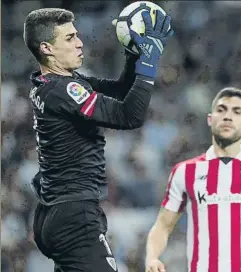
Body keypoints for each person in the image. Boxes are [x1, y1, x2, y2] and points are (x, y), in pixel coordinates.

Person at [24, 7, 173, 271]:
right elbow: (129, 116)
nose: (80, 42)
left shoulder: (54, 83)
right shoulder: (64, 89)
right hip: (74, 217)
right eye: (69, 38)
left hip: (55, 211)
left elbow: (118, 91)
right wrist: (149, 63)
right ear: (47, 48)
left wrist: (133, 55)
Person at [145, 87, 241, 272]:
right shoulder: (185, 171)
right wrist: (152, 258)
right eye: (221, 110)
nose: (228, 117)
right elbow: (163, 225)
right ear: (210, 119)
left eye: (237, 111)